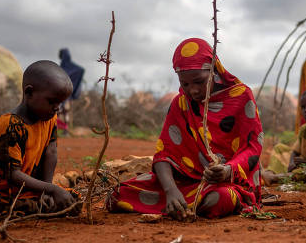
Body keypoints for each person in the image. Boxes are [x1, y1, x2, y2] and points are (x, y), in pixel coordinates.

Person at [106, 38, 262, 220]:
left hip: (228, 183)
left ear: (214, 70)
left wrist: (228, 170)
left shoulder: (242, 97)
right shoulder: (180, 104)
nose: (193, 91)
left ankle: (184, 205)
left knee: (219, 199)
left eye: (199, 82)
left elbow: (253, 147)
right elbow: (164, 154)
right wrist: (171, 190)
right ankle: (180, 203)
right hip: (185, 182)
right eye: (185, 84)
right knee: (118, 194)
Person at [0, 61, 78, 220]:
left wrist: (45, 191)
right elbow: (13, 175)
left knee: (75, 198)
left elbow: (51, 152)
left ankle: (32, 207)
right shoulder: (10, 125)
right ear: (29, 92)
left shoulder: (49, 118)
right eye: (52, 101)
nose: (56, 108)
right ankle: (31, 208)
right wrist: (51, 190)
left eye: (60, 103)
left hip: (30, 190)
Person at [264, 90, 306, 181]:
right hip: (300, 163)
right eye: (303, 107)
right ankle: (271, 173)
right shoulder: (304, 128)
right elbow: (295, 151)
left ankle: (274, 177)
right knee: (279, 148)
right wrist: (291, 163)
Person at [58, 48, 85, 132]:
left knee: (64, 110)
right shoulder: (61, 67)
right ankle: (57, 129)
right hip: (63, 93)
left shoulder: (68, 68)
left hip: (66, 94)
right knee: (60, 111)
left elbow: (80, 71)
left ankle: (64, 130)